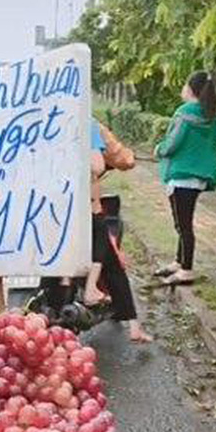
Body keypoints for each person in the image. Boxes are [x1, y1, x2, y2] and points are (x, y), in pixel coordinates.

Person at [154, 71, 216, 286]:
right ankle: (178, 262)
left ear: (190, 89)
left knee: (184, 225)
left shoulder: (184, 112)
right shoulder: (209, 115)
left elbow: (172, 143)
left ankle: (186, 270)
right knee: (182, 223)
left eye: (184, 85)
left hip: (181, 177)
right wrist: (204, 148)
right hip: (196, 179)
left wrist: (159, 150)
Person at [86, 118, 151, 344]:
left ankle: (134, 326)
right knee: (111, 258)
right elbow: (118, 158)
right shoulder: (90, 123)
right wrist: (129, 158)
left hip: (48, 205)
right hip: (88, 205)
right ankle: (91, 289)